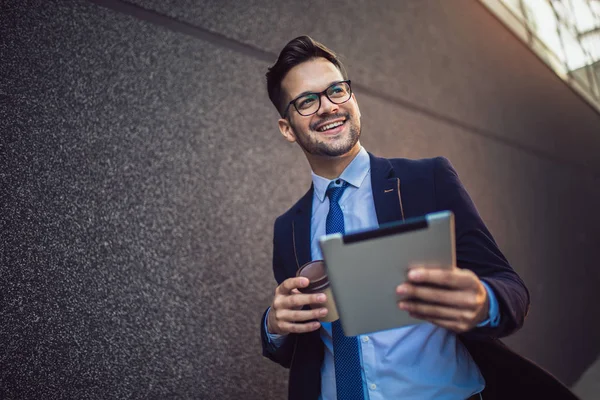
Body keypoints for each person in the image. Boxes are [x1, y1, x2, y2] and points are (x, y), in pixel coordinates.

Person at [260, 36, 576, 400]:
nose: (328, 107)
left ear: (353, 99)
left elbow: (508, 285)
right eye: (307, 101)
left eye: (336, 91)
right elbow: (300, 351)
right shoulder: (288, 228)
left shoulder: (428, 180)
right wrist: (274, 325)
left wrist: (482, 301)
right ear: (287, 128)